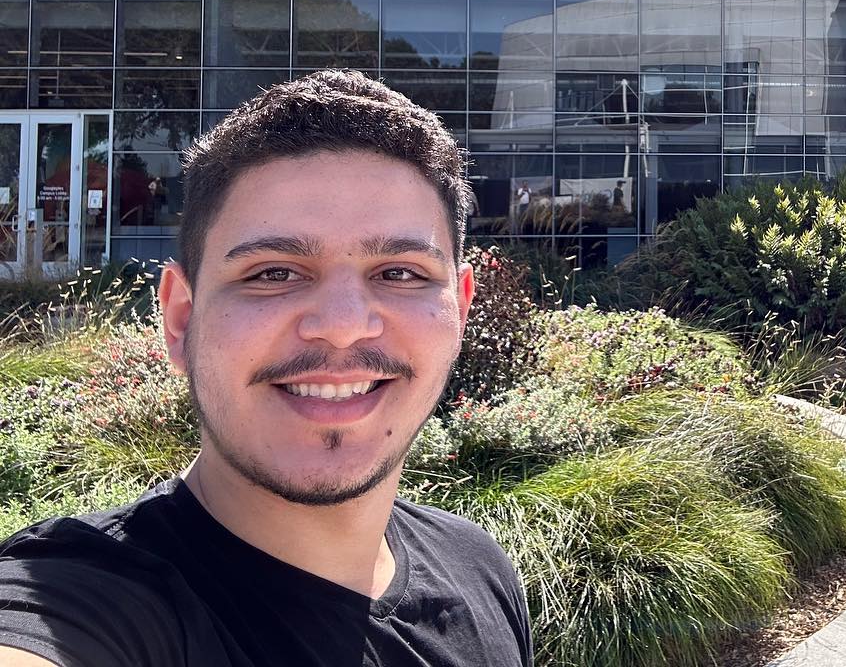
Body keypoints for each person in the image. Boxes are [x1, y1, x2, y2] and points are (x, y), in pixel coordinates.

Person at [0, 71, 533, 666]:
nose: (342, 324)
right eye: (273, 273)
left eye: (400, 273)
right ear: (182, 319)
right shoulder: (86, 603)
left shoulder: (479, 570)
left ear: (458, 310)